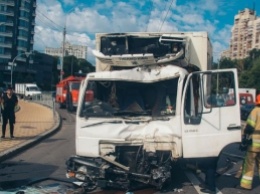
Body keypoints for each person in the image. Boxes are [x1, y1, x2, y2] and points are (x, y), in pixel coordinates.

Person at [238, 94, 260, 190]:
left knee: (249, 164)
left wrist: (245, 138)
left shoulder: (255, 111)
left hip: (254, 143)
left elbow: (250, 127)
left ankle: (246, 185)